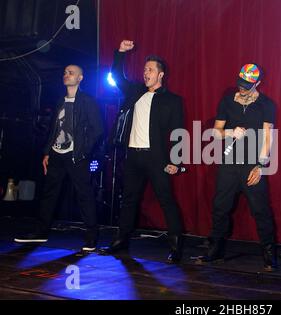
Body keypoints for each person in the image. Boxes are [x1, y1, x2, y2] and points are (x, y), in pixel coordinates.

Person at [101, 40, 185, 264]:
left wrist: (177, 160)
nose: (145, 73)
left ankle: (176, 246)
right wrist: (119, 52)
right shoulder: (135, 92)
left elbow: (179, 132)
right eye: (144, 69)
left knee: (166, 199)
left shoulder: (173, 100)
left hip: (156, 157)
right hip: (133, 155)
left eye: (150, 70)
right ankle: (121, 240)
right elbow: (117, 76)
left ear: (161, 75)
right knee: (129, 200)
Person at [196, 63, 278, 272]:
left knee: (261, 210)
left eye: (246, 85)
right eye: (240, 83)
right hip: (229, 164)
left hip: (252, 164)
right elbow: (215, 133)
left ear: (257, 83)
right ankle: (216, 249)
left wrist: (261, 166)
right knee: (220, 207)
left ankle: (269, 253)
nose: (241, 88)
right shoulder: (227, 102)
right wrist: (231, 132)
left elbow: (268, 138)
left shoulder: (266, 105)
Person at [14, 65, 104, 252]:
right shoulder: (60, 101)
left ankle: (91, 236)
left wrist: (83, 151)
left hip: (76, 155)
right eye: (65, 72)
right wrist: (47, 152)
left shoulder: (88, 101)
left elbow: (97, 130)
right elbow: (54, 130)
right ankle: (41, 232)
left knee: (84, 195)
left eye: (71, 72)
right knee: (49, 194)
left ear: (80, 78)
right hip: (56, 154)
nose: (66, 74)